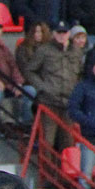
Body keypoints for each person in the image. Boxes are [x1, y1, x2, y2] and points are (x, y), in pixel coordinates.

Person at [24, 20, 83, 152]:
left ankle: (65, 172)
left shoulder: (77, 51)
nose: (62, 36)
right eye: (59, 33)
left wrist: (77, 92)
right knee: (47, 141)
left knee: (68, 141)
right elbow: (29, 70)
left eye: (65, 33)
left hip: (69, 102)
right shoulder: (44, 50)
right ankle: (46, 171)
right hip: (49, 101)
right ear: (53, 34)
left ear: (69, 34)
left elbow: (81, 73)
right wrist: (42, 87)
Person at [68, 59, 95, 186]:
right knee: (86, 174)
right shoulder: (83, 86)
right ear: (91, 67)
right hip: (90, 138)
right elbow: (73, 109)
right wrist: (88, 121)